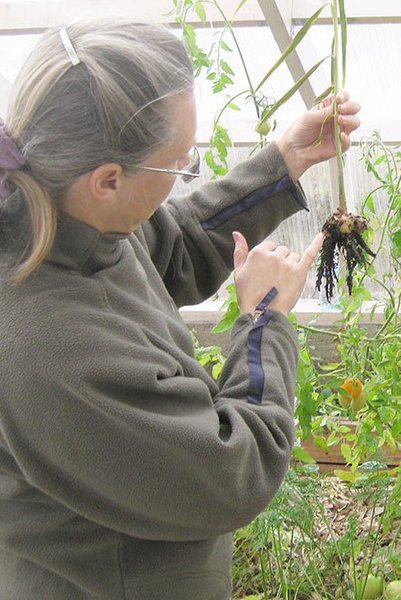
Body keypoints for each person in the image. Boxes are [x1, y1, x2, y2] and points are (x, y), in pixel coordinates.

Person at [0, 19, 360, 599]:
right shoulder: (48, 351)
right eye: (178, 164)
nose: (183, 177)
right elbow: (233, 469)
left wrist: (283, 161)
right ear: (108, 180)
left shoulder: (63, 214)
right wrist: (263, 322)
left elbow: (174, 244)